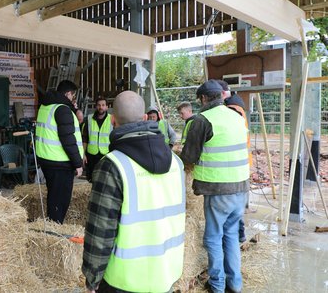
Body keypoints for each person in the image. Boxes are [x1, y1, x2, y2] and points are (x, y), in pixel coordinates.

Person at [82, 91, 186, 293]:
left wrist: (92, 277)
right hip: (166, 273)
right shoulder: (176, 163)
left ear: (113, 120)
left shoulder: (112, 165)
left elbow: (100, 229)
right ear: (146, 118)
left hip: (124, 280)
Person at [180, 80, 249, 293]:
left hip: (219, 190)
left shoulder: (202, 120)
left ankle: (217, 286)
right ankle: (235, 284)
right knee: (230, 234)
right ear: (221, 96)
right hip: (241, 188)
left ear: (203, 99)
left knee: (212, 237)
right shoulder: (237, 117)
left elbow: (189, 157)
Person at [35, 79, 83, 224]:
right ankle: (55, 227)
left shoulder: (47, 106)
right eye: (73, 96)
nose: (73, 99)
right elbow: (68, 140)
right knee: (60, 200)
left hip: (47, 159)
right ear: (68, 93)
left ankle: (53, 224)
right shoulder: (62, 110)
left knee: (54, 196)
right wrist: (78, 164)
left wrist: (73, 110)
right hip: (60, 162)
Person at [216, 80, 250, 243]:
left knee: (232, 210)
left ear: (222, 94)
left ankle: (238, 234)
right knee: (237, 205)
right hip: (240, 162)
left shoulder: (232, 109)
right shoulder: (237, 105)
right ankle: (238, 234)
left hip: (232, 164)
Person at [82, 97, 112, 182]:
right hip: (91, 155)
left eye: (103, 105)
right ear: (96, 106)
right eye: (99, 105)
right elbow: (85, 138)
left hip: (106, 154)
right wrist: (83, 154)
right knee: (91, 178)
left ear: (107, 107)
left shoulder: (112, 119)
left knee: (105, 178)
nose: (101, 107)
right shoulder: (88, 119)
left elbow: (115, 138)